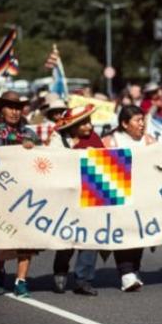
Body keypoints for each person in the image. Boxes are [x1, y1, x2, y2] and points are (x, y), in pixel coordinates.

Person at [0, 91, 41, 297]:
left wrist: (32, 147)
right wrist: (22, 145)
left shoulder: (30, 133)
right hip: (3, 190)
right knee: (4, 235)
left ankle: (21, 280)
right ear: (1, 110)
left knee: (26, 239)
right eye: (10, 107)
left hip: (26, 192)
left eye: (18, 108)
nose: (14, 112)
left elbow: (39, 154)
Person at [47, 105, 104, 296]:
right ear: (73, 126)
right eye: (84, 123)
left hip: (90, 194)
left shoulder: (94, 139)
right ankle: (60, 271)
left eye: (89, 122)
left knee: (89, 238)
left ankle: (83, 280)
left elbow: (105, 163)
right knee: (67, 235)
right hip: (66, 195)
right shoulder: (57, 140)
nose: (89, 126)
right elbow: (53, 163)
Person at [102, 105, 156, 291]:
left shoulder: (150, 141)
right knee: (123, 233)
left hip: (143, 197)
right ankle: (126, 273)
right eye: (137, 120)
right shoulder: (110, 142)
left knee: (138, 233)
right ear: (125, 124)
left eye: (143, 120)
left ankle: (134, 269)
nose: (142, 124)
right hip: (118, 198)